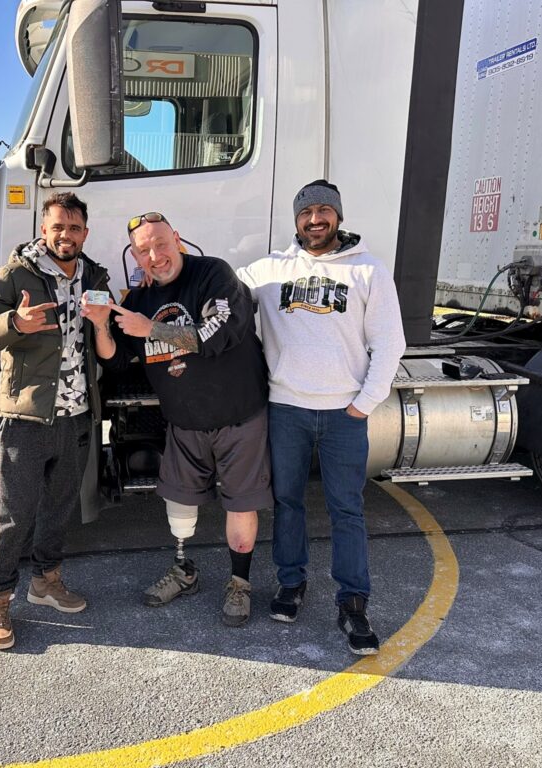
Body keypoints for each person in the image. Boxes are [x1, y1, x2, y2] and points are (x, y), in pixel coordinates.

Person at [236, 180, 406, 655]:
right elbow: (221, 294)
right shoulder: (269, 270)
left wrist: (363, 404)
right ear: (296, 220)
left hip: (343, 414)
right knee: (288, 503)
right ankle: (291, 584)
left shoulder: (369, 271)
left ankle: (353, 602)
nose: (316, 219)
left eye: (325, 210)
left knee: (346, 509)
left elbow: (390, 344)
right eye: (307, 211)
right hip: (286, 408)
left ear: (338, 216)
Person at [82, 212, 270, 627]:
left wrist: (153, 330)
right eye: (144, 250)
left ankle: (239, 584)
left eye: (161, 244)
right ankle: (185, 572)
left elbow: (222, 332)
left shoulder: (213, 273)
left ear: (178, 240)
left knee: (239, 505)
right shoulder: (137, 300)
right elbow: (117, 364)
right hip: (184, 423)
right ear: (134, 255)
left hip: (238, 415)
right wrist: (101, 328)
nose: (155, 255)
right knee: (180, 505)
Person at [0, 191, 110, 651]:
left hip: (77, 414)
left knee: (60, 506)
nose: (65, 235)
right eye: (57, 227)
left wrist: (105, 322)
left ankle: (46, 582)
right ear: (43, 230)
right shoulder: (17, 274)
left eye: (74, 227)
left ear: (85, 232)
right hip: (27, 417)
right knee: (12, 515)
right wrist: (15, 323)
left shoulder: (97, 275)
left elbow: (103, 343)